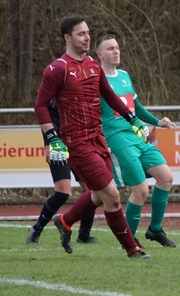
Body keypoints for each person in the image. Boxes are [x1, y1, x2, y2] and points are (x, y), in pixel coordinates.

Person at [32, 14, 150, 259]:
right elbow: (41, 106)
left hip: (98, 138)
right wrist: (52, 137)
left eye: (88, 33)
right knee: (112, 194)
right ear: (68, 37)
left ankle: (65, 222)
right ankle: (132, 249)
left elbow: (110, 96)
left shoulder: (94, 67)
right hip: (76, 143)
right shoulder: (57, 69)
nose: (87, 37)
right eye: (81, 34)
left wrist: (133, 119)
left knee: (99, 194)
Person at [94, 34, 178, 247]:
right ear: (100, 54)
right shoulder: (96, 80)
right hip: (117, 139)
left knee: (166, 177)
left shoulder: (124, 76)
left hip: (138, 137)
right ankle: (128, 241)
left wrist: (158, 122)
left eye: (117, 47)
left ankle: (155, 229)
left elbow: (136, 109)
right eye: (110, 48)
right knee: (140, 190)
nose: (116, 51)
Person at [25, 98, 98, 245]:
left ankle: (84, 235)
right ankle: (37, 229)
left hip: (79, 146)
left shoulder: (81, 93)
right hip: (58, 148)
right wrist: (48, 144)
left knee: (92, 190)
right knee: (63, 192)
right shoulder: (53, 93)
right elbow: (44, 115)